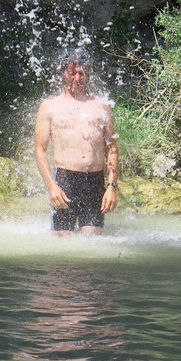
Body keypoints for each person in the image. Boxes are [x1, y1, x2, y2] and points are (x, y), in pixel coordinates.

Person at [34, 53, 119, 235]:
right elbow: (40, 150)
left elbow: (111, 148)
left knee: (92, 243)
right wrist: (52, 187)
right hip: (65, 179)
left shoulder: (101, 106)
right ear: (62, 73)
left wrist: (111, 187)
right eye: (72, 73)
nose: (77, 78)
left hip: (94, 180)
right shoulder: (49, 106)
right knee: (62, 242)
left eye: (82, 73)